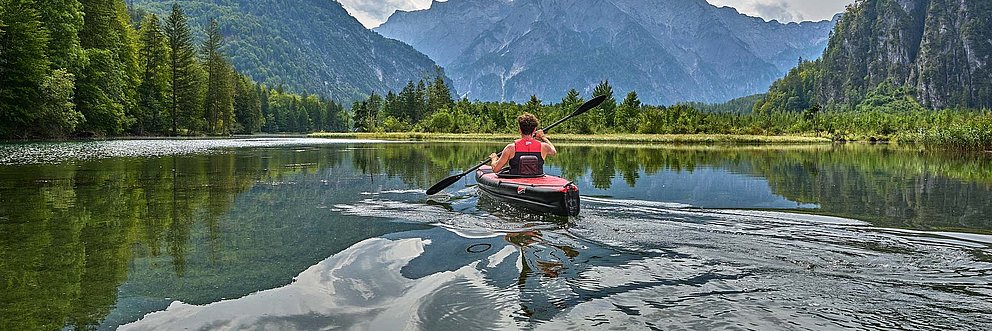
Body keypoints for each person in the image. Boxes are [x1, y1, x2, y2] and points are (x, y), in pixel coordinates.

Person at [489, 113, 557, 177]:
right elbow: (554, 151)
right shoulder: (544, 147)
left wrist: (494, 158)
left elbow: (495, 169)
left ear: (520, 130)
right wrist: (543, 137)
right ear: (534, 130)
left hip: (515, 183)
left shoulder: (511, 148)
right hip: (536, 182)